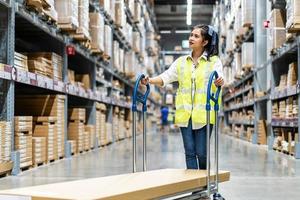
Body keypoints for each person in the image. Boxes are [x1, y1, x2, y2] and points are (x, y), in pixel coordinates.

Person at [141, 24, 224, 171]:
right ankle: (194, 189)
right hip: (185, 115)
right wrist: (150, 80)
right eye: (191, 35)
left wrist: (219, 82)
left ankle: (205, 184)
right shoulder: (181, 62)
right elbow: (166, 77)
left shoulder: (214, 61)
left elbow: (219, 79)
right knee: (190, 153)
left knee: (202, 153)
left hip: (204, 114)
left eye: (196, 36)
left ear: (205, 42)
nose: (191, 38)